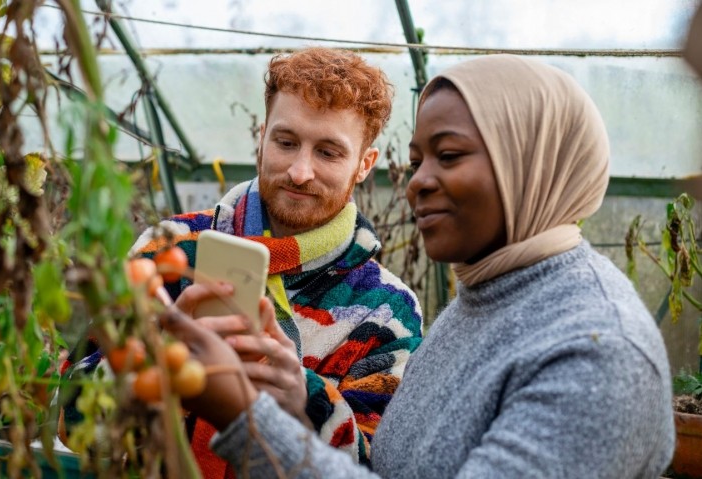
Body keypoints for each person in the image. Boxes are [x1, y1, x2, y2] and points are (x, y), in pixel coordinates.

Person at [162, 54, 676, 478]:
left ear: (531, 162)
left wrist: (250, 416)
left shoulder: (599, 352)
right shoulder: (485, 301)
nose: (417, 182)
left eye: (449, 155)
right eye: (416, 161)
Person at [59, 47, 423, 478]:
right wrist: (156, 355)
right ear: (262, 136)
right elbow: (73, 425)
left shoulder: (386, 310)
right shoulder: (171, 251)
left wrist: (303, 400)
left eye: (328, 153)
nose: (300, 171)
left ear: (365, 164)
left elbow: (377, 467)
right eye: (286, 143)